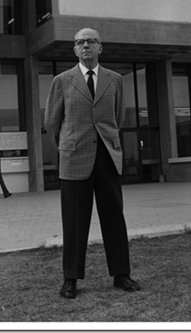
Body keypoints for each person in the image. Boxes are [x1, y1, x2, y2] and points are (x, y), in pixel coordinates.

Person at [45, 28, 140, 299]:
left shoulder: (115, 80)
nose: (85, 45)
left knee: (114, 218)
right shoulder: (62, 81)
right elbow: (52, 124)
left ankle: (121, 274)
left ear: (101, 47)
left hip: (107, 157)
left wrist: (105, 140)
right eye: (80, 42)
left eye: (91, 41)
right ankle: (71, 279)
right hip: (74, 159)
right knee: (74, 221)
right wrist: (69, 146)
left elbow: (118, 118)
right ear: (74, 50)